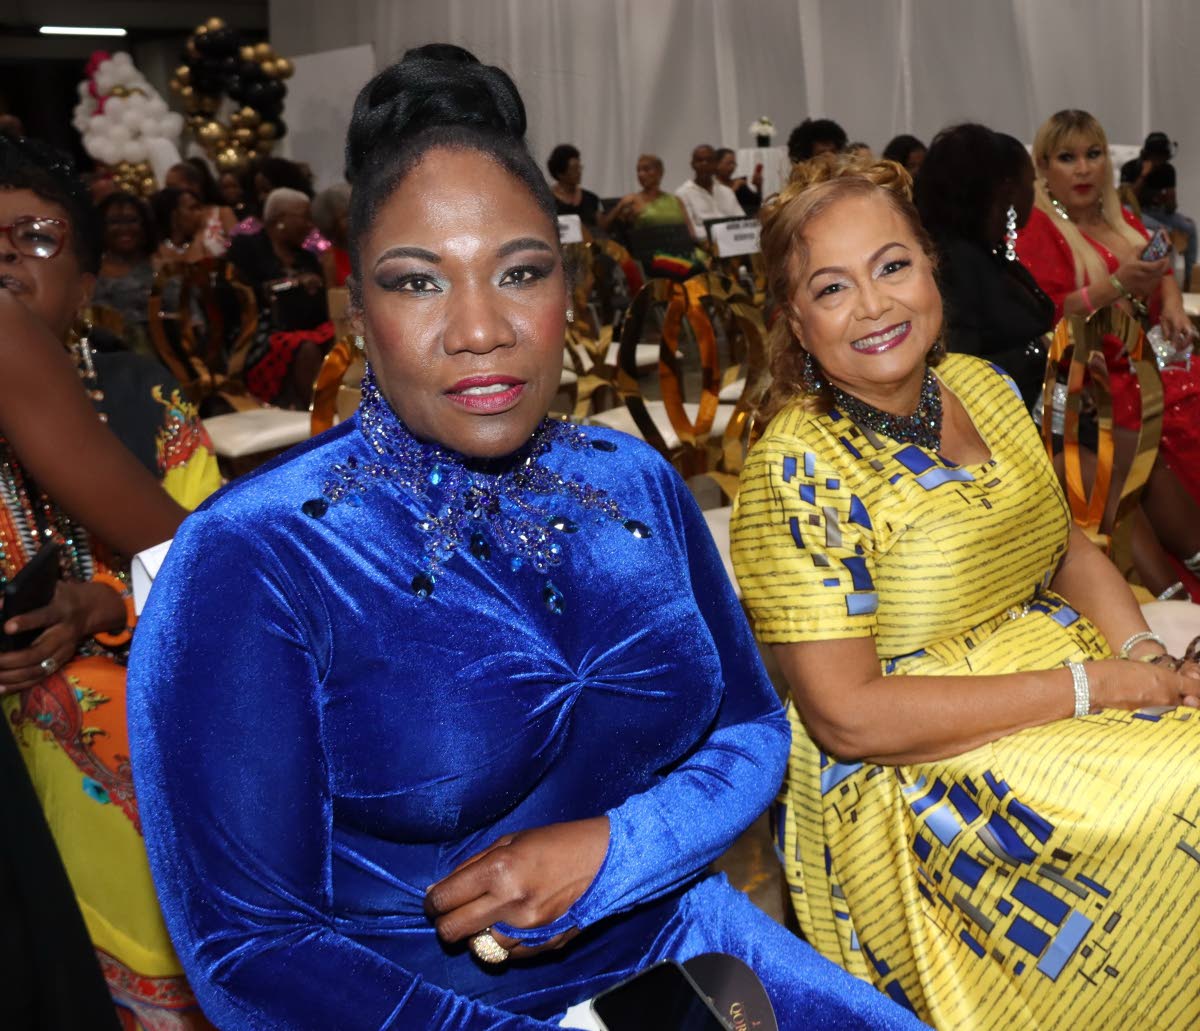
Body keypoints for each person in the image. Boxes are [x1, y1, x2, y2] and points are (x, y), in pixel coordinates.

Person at [126, 46, 925, 1031]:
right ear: (360, 313)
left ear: (565, 287)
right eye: (419, 283)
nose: (480, 328)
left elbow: (750, 730)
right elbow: (250, 953)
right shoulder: (258, 555)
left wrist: (619, 850)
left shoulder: (630, 477)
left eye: (519, 271)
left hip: (684, 947)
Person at [730, 150, 1200, 1029]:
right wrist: (1097, 686)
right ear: (795, 320)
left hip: (1071, 695)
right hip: (929, 774)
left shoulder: (979, 386)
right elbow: (849, 718)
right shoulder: (798, 466)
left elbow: (1067, 550)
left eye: (892, 266)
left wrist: (1146, 657)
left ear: (931, 266)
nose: (873, 306)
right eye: (831, 289)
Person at [0, 134, 212, 1028]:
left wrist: (107, 602)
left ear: (89, 286)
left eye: (36, 236)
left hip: (142, 707)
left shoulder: (142, 401)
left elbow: (214, 563)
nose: (7, 253)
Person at [1016, 110, 1200, 506]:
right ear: (1043, 166)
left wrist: (1171, 303)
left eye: (1093, 154)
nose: (1083, 169)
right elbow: (1049, 313)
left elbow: (1161, 267)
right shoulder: (1038, 232)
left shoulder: (1122, 218)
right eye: (1067, 158)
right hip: (1100, 384)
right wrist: (1117, 284)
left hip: (1156, 363)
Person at [914, 124, 1051, 406]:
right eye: (1031, 182)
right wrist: (1043, 349)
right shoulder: (953, 263)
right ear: (1008, 191)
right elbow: (960, 371)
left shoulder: (985, 252)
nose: (1034, 193)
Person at [226, 186, 332, 407]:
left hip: (302, 325)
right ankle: (319, 418)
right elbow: (244, 294)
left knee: (349, 338)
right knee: (305, 348)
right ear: (280, 219)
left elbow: (320, 305)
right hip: (258, 331)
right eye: (305, 217)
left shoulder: (306, 258)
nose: (310, 225)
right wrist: (293, 284)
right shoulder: (247, 249)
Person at [1120, 131, 1196, 288]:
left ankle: (1190, 279)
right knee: (1164, 229)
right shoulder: (1130, 167)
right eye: (1158, 157)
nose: (1161, 161)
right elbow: (1127, 199)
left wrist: (1170, 199)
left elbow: (1171, 208)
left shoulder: (1168, 170)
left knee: (1189, 227)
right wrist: (1143, 176)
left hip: (1160, 212)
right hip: (1137, 211)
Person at [92, 191, 158, 355]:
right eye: (114, 222)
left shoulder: (160, 265)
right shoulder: (87, 270)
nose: (124, 229)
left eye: (132, 221)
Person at [607, 153, 695, 234]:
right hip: (652, 249)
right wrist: (618, 208)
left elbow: (691, 232)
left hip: (682, 247)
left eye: (646, 169)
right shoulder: (632, 199)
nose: (641, 174)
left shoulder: (675, 200)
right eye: (638, 170)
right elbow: (606, 228)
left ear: (660, 172)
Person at [164, 160, 235, 259]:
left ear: (193, 185)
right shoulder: (177, 225)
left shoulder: (222, 213)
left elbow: (240, 247)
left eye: (173, 186)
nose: (169, 192)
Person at [676, 143, 744, 240]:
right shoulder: (683, 193)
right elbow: (690, 230)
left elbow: (741, 221)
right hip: (704, 246)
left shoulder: (727, 191)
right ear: (692, 164)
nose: (704, 164)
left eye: (709, 160)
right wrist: (721, 234)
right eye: (700, 160)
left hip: (733, 243)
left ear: (716, 164)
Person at [546, 143, 603, 229]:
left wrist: (618, 207)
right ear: (560, 173)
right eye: (574, 169)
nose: (579, 172)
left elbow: (602, 228)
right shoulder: (547, 200)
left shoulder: (591, 198)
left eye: (579, 167)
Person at [150, 186, 206, 265]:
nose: (200, 213)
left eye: (199, 208)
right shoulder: (157, 255)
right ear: (174, 216)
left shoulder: (206, 241)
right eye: (192, 208)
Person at [311, 182, 352, 288]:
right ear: (330, 224)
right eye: (345, 215)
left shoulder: (375, 245)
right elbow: (333, 297)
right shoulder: (330, 259)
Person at [715, 146, 763, 214]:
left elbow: (756, 205)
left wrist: (759, 186)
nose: (732, 167)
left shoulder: (739, 183)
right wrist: (734, 188)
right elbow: (721, 206)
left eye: (734, 164)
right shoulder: (712, 184)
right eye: (729, 163)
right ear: (717, 164)